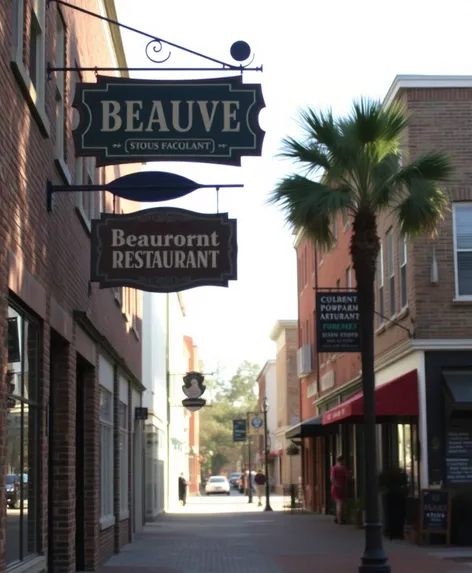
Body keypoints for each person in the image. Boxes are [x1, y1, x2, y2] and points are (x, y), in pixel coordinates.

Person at [330, 455, 347, 524]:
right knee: (340, 504)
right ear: (341, 460)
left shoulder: (334, 468)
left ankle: (337, 518)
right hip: (342, 487)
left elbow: (332, 479)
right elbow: (347, 477)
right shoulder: (343, 468)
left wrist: (336, 485)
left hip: (335, 488)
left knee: (338, 504)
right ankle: (340, 519)